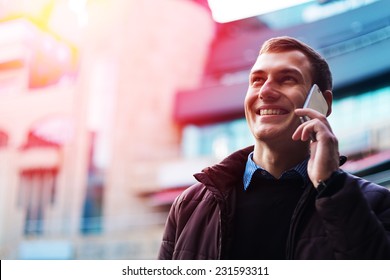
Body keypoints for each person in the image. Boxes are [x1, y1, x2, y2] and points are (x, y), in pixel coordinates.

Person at [158, 36, 390, 259]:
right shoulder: (188, 206)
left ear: (322, 103)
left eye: (287, 79)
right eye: (257, 80)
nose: (265, 91)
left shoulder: (376, 204)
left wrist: (332, 187)